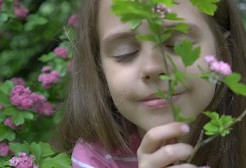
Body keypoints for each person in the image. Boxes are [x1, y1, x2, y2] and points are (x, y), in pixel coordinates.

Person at [57, 0, 246, 167]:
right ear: (100, 70)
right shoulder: (96, 157)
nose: (152, 68)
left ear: (224, 51)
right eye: (125, 52)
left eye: (177, 44)